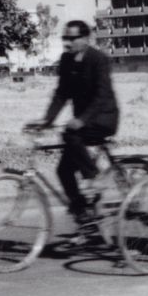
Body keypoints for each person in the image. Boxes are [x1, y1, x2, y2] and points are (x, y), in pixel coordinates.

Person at [36, 20, 119, 224]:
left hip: (103, 118)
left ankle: (94, 175)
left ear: (85, 38)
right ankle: (84, 216)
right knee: (63, 170)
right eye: (66, 38)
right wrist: (46, 120)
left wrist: (82, 120)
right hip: (83, 122)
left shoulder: (98, 59)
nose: (68, 42)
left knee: (70, 134)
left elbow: (102, 95)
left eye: (73, 38)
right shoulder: (66, 60)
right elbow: (61, 94)